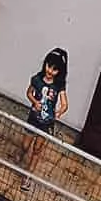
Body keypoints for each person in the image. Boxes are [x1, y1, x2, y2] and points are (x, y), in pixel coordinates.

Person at [22, 48, 69, 189]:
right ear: (45, 64)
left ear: (59, 72)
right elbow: (29, 92)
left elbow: (65, 103)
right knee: (25, 145)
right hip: (33, 118)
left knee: (37, 149)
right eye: (49, 66)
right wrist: (35, 102)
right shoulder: (37, 79)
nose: (50, 71)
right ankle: (22, 157)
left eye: (54, 70)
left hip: (47, 122)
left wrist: (60, 111)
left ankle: (27, 177)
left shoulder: (58, 85)